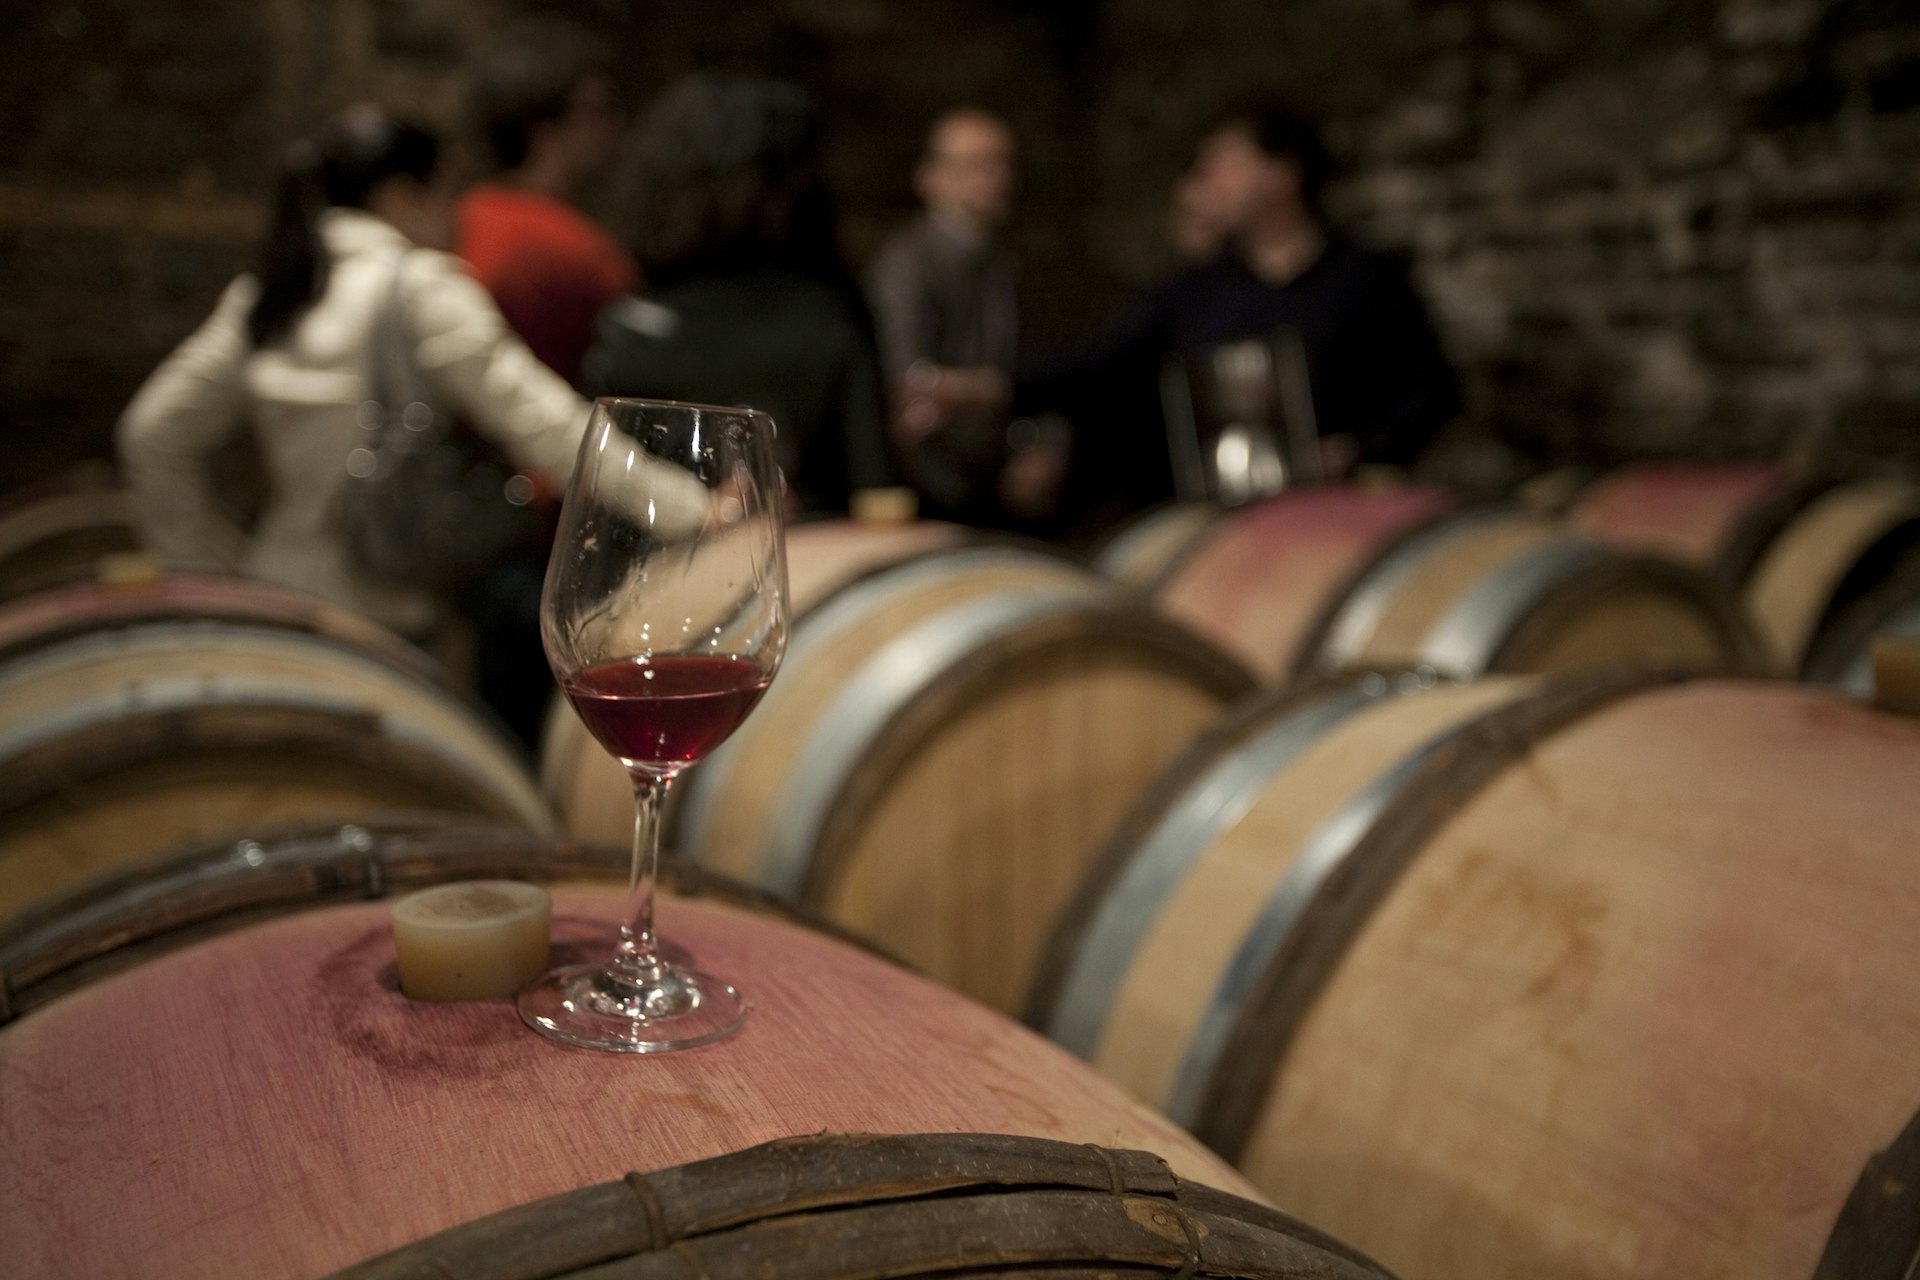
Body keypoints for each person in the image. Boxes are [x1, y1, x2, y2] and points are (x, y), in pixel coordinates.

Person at [116, 106, 599, 728]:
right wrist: (696, 510)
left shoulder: (272, 292)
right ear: (401, 196)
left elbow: (151, 436)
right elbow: (552, 431)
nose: (458, 215)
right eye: (448, 192)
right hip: (386, 624)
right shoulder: (425, 288)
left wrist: (212, 574)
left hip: (274, 605)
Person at [917, 99, 1462, 525]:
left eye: (1223, 164)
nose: (1209, 182)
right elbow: (1101, 370)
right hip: (1228, 529)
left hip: (1344, 522)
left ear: (1280, 175)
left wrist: (1355, 450)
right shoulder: (1199, 291)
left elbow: (1429, 393)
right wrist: (979, 390)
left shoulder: (1365, 281)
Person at [583, 73, 893, 516]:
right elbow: (874, 493)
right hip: (808, 563)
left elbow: (602, 504)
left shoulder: (627, 327)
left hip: (656, 569)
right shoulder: (828, 321)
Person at [866, 108, 1026, 523]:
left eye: (1002, 163)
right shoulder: (908, 261)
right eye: (978, 164)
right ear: (932, 177)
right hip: (933, 480)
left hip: (994, 473)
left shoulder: (999, 264)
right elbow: (908, 379)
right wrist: (998, 389)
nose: (997, 177)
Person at [457, 20, 634, 387]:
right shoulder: (575, 248)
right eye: (598, 110)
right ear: (543, 128)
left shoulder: (463, 214)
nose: (613, 128)